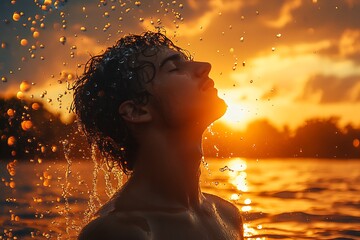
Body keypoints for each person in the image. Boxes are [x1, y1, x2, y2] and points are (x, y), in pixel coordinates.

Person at [72, 31, 244, 240]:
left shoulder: (227, 215)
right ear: (137, 111)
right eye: (174, 68)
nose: (204, 66)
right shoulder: (120, 231)